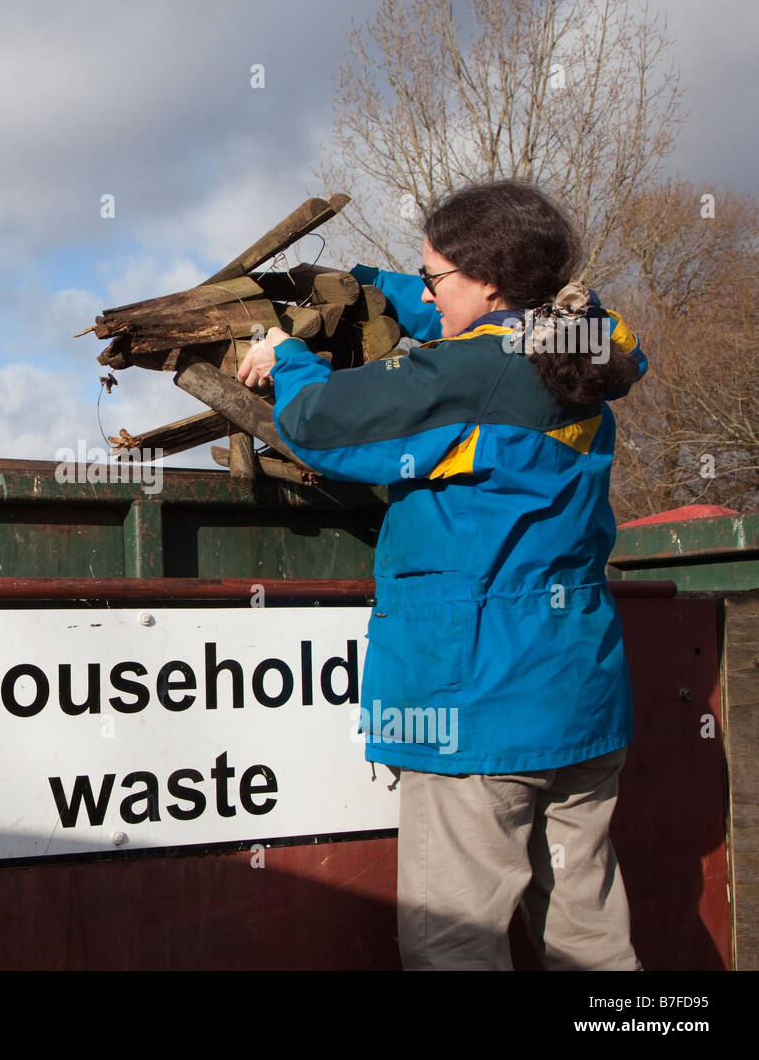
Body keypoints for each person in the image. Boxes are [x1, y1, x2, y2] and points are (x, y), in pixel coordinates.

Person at [237, 179, 648, 971]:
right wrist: (375, 288)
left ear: (489, 278)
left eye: (433, 275)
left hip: (477, 710)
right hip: (580, 698)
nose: (426, 291)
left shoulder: (474, 374)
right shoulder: (586, 348)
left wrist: (285, 357)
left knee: (452, 947)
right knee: (589, 940)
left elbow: (323, 423)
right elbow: (487, 336)